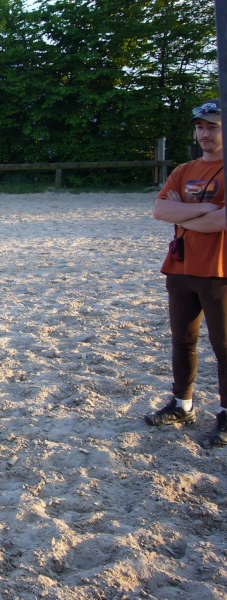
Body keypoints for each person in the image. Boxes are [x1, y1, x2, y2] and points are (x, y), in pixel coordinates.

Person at [145, 98, 227, 447]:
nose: (205, 133)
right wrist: (206, 208)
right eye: (200, 127)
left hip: (218, 268)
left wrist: (184, 214)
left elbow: (222, 221)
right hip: (180, 267)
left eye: (213, 126)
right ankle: (182, 404)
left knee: (223, 345)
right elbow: (159, 209)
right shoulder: (184, 169)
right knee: (183, 339)